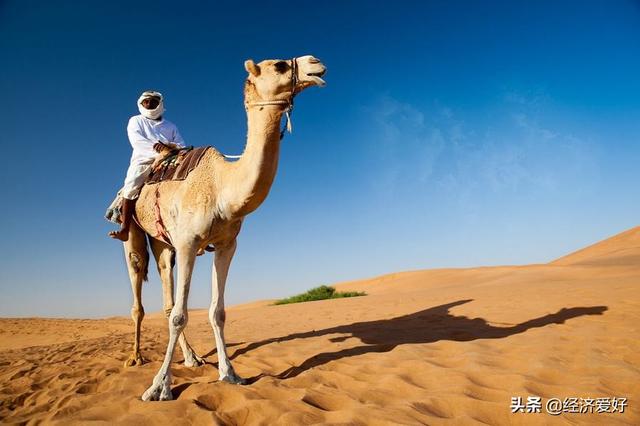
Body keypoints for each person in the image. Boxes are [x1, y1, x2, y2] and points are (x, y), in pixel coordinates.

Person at [108, 90, 185, 241]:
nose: (150, 104)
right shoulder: (136, 121)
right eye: (146, 102)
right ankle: (125, 228)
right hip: (144, 159)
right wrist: (158, 150)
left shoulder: (170, 126)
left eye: (154, 101)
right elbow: (137, 141)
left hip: (171, 157)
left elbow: (181, 144)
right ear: (141, 104)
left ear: (160, 104)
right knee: (131, 185)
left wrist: (168, 147)